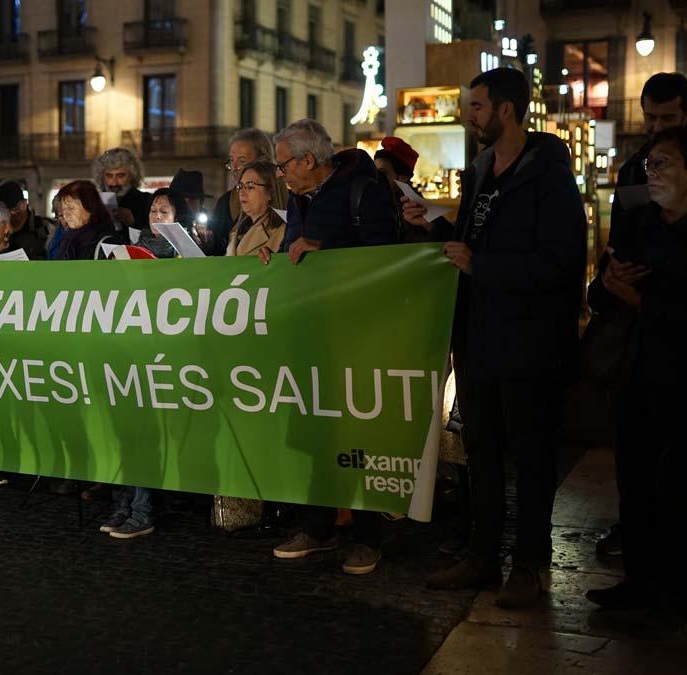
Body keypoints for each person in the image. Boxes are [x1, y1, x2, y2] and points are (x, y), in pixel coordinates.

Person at [403, 68, 586, 608]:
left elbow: (560, 264)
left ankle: (528, 565)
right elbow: (467, 245)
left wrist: (482, 267)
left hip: (530, 343)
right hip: (479, 338)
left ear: (506, 110)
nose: (469, 116)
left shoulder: (549, 176)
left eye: (477, 106)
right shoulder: (481, 168)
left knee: (530, 457)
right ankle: (481, 557)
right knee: (481, 452)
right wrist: (432, 227)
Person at [584, 126, 687, 628]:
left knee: (677, 484)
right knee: (633, 479)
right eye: (650, 165)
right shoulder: (637, 221)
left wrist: (643, 300)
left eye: (666, 163)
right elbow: (603, 294)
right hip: (634, 368)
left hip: (686, 376)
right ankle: (639, 580)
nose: (653, 173)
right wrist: (607, 286)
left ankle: (677, 599)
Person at [260, 119, 399, 576]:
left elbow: (385, 259)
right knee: (314, 432)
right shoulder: (300, 198)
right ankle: (317, 527)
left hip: (356, 336)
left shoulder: (364, 190)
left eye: (284, 166)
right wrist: (277, 260)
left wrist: (326, 250)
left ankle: (367, 537)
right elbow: (298, 255)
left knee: (355, 438)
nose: (281, 175)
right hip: (312, 336)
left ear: (307, 160)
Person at [209, 128, 283, 256]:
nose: (235, 168)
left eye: (242, 161)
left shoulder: (287, 220)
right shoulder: (225, 203)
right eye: (232, 161)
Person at [226, 160, 287, 257]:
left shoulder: (283, 232)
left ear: (270, 193)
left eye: (250, 187)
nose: (242, 192)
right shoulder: (237, 230)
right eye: (241, 186)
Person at [54, 180, 125, 261]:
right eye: (64, 209)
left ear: (90, 207)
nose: (65, 214)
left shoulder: (109, 243)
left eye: (71, 208)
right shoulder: (67, 240)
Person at [374, 136, 424, 243]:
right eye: (374, 172)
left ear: (403, 178)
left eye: (382, 173)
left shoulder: (416, 208)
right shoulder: (376, 199)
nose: (376, 178)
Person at [92, 147, 150, 232]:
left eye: (120, 176)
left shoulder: (147, 201)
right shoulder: (94, 202)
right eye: (109, 176)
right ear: (101, 177)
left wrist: (133, 222)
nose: (114, 182)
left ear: (132, 175)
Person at [0, 180, 52, 261]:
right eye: (3, 211)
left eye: (13, 209)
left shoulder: (45, 227)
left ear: (24, 204)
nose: (8, 215)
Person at [137, 187, 196, 259]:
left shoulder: (188, 250)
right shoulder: (137, 248)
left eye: (164, 211)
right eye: (153, 210)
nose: (157, 216)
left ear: (177, 218)